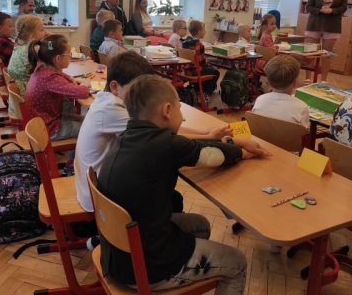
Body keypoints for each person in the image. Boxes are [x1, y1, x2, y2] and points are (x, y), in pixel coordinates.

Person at [97, 74, 271, 293]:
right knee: (237, 263)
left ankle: (188, 275)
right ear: (167, 110)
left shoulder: (127, 136)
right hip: (147, 267)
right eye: (180, 109)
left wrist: (233, 141)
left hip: (117, 256)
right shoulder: (164, 144)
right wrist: (243, 153)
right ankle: (178, 273)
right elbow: (210, 155)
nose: (182, 117)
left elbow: (191, 145)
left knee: (200, 225)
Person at [75, 51, 232, 213]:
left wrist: (204, 132)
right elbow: (162, 135)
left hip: (97, 186)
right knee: (167, 190)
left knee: (171, 194)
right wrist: (209, 137)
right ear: (115, 87)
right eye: (137, 87)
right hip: (101, 199)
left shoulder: (108, 100)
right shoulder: (112, 110)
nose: (143, 93)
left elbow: (160, 130)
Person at [26, 34, 90, 174]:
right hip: (50, 129)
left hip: (46, 122)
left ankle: (72, 163)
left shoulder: (43, 68)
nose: (70, 57)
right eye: (69, 54)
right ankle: (71, 167)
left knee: (88, 121)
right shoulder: (50, 78)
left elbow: (60, 75)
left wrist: (70, 79)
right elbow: (82, 93)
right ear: (58, 59)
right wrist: (85, 85)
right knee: (90, 129)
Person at [305, 0, 348, 82]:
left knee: (327, 55)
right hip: (315, 24)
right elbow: (308, 7)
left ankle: (323, 81)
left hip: (332, 25)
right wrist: (320, 10)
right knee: (310, 53)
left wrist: (332, 11)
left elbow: (344, 7)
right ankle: (308, 79)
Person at [252, 55, 310, 128]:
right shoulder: (301, 107)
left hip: (260, 135)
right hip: (288, 136)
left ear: (269, 82)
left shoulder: (260, 100)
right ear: (295, 82)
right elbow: (304, 130)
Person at [7, 15, 46, 115]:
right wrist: (49, 41)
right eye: (42, 30)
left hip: (18, 101)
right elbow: (53, 53)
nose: (45, 32)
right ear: (30, 34)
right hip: (30, 97)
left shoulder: (18, 45)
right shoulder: (35, 49)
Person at [182, 19, 220, 96]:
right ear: (199, 32)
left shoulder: (185, 42)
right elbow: (202, 63)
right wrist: (211, 65)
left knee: (208, 69)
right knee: (216, 72)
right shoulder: (198, 45)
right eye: (204, 30)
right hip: (195, 71)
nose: (205, 32)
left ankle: (197, 88)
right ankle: (206, 92)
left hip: (186, 70)